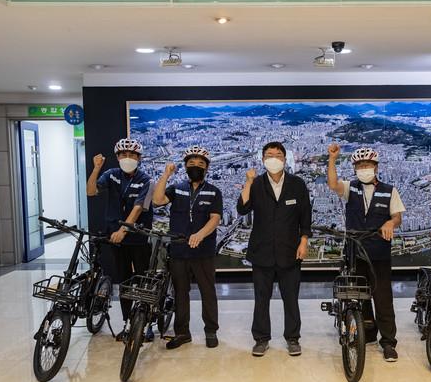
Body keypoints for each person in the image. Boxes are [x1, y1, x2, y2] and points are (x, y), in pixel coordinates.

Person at [326, 144, 405, 362]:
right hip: (354, 251)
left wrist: (390, 222)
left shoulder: (389, 190)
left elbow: (397, 217)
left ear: (375, 167)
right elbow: (332, 184)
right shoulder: (350, 188)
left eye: (367, 164)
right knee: (358, 295)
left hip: (379, 252)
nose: (364, 168)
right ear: (355, 168)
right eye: (360, 165)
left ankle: (388, 342)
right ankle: (367, 333)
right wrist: (332, 159)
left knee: (383, 298)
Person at [236, 141, 312, 357]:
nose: (274, 159)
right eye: (269, 155)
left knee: (291, 298)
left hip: (290, 251)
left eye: (278, 155)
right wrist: (248, 182)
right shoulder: (256, 184)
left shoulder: (297, 184)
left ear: (285, 159)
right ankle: (261, 339)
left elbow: (305, 215)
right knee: (261, 299)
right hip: (262, 252)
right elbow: (242, 209)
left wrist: (304, 241)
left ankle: (293, 338)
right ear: (262, 159)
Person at [152, 145, 223, 350]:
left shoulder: (214, 191)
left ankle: (211, 330)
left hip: (203, 251)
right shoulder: (177, 188)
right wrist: (166, 175)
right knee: (180, 293)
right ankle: (182, 332)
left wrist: (200, 234)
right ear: (185, 166)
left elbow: (215, 218)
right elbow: (157, 200)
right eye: (191, 163)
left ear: (207, 168)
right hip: (179, 250)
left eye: (200, 163)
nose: (196, 166)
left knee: (207, 292)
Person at [86, 138, 154, 342]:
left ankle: (146, 323)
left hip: (138, 236)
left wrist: (124, 230)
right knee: (124, 282)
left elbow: (138, 207)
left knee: (142, 281)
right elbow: (91, 191)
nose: (127, 158)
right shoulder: (111, 174)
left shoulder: (147, 180)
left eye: (132, 155)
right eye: (123, 154)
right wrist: (96, 169)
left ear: (139, 158)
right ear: (117, 157)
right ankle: (127, 322)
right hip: (116, 237)